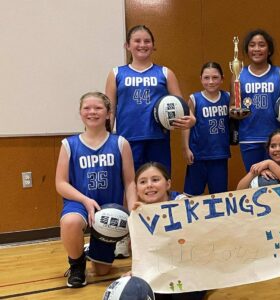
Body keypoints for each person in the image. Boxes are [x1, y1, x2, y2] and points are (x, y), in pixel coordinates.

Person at [55, 92, 136, 288]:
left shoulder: (120, 143)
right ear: (81, 113)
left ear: (108, 113)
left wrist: (134, 211)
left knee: (102, 271)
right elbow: (61, 183)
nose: (92, 112)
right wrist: (84, 200)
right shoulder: (69, 144)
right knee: (70, 222)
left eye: (98, 108)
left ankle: (89, 247)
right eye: (87, 108)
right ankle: (76, 265)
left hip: (109, 210)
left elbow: (130, 182)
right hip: (80, 203)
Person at [105, 24, 195, 174]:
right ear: (127, 45)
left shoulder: (165, 73)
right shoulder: (116, 73)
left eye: (147, 41)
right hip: (127, 139)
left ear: (153, 45)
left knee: (159, 183)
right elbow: (110, 110)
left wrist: (191, 119)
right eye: (137, 41)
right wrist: (107, 139)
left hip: (158, 139)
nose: (142, 45)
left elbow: (181, 105)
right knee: (131, 185)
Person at [229, 29, 280, 171]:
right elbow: (232, 106)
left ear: (269, 50)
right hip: (249, 138)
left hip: (277, 140)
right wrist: (234, 112)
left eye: (261, 45)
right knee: (255, 182)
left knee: (278, 181)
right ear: (247, 49)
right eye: (252, 45)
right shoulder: (238, 75)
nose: (256, 49)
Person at [132, 162, 206, 300]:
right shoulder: (137, 214)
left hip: (192, 270)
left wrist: (154, 216)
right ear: (136, 189)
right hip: (162, 271)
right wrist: (136, 272)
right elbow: (144, 253)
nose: (149, 185)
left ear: (168, 184)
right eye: (143, 182)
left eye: (155, 180)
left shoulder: (182, 202)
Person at [182, 62, 230, 196]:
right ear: (201, 79)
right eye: (206, 78)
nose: (211, 81)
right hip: (198, 155)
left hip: (219, 154)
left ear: (222, 79)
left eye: (215, 77)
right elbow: (186, 126)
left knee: (219, 196)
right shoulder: (194, 98)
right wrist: (186, 148)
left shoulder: (227, 97)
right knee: (192, 196)